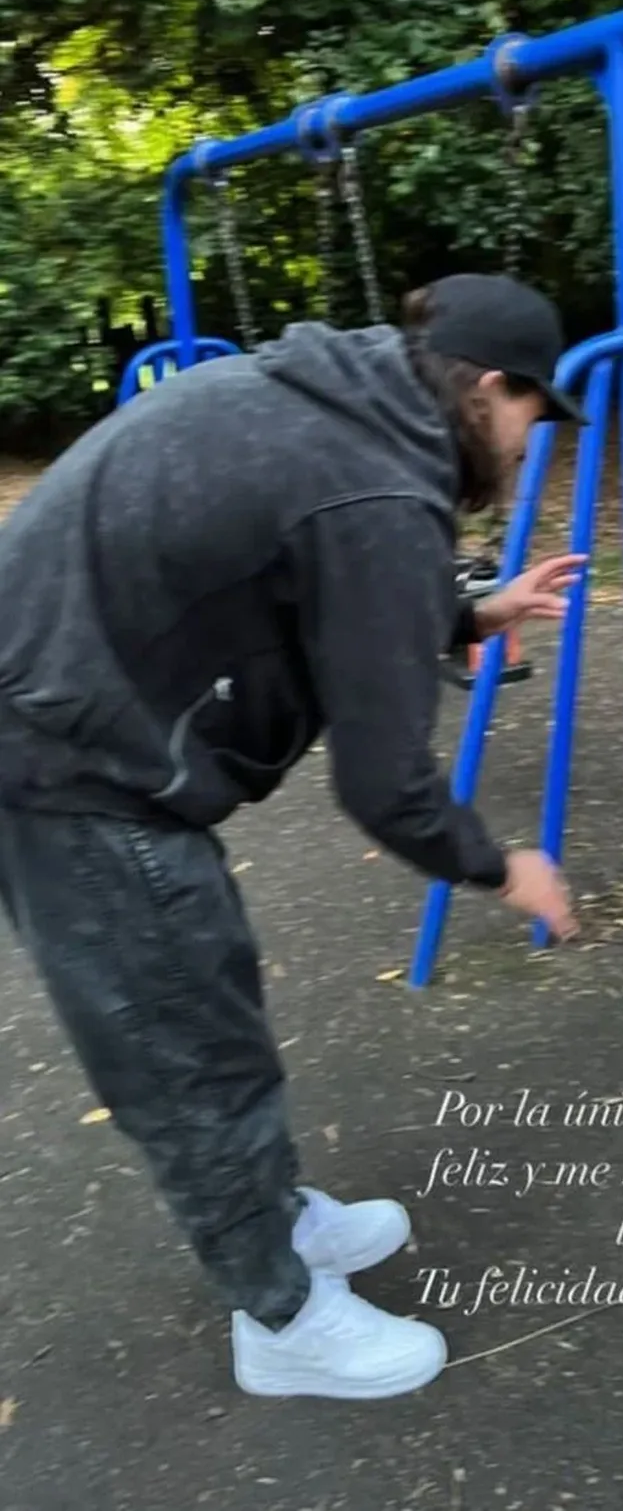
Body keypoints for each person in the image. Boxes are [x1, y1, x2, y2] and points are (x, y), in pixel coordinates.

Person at [0, 273, 589, 1402]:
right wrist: (502, 866)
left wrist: (467, 610)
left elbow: (309, 562)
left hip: (70, 707)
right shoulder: (376, 484)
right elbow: (385, 783)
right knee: (182, 1046)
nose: (527, 446)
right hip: (64, 757)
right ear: (488, 387)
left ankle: (272, 1214)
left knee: (207, 995)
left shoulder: (330, 403)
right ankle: (279, 1316)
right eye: (530, 413)